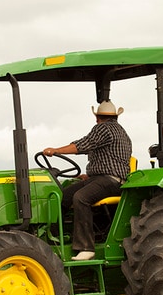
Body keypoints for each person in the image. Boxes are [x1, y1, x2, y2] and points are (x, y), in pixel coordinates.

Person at [43, 100, 132, 260]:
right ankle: (57, 237)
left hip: (112, 180)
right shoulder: (120, 131)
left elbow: (82, 145)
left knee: (81, 198)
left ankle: (86, 247)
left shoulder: (104, 128)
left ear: (98, 117)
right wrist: (88, 176)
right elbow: (105, 157)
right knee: (64, 195)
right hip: (102, 178)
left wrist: (55, 151)